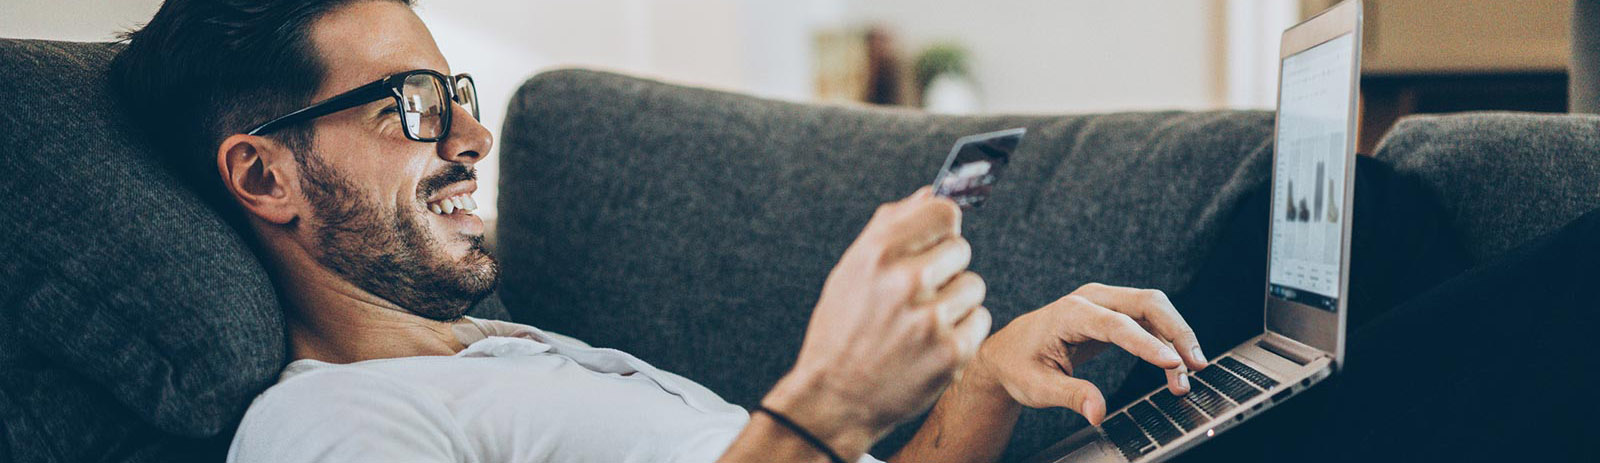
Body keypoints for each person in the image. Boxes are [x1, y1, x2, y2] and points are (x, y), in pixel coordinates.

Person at [109, 1, 1208, 462]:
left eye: (459, 93)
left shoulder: (511, 351)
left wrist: (978, 389)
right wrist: (820, 403)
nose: (474, 136)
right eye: (412, 104)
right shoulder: (331, 428)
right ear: (263, 173)